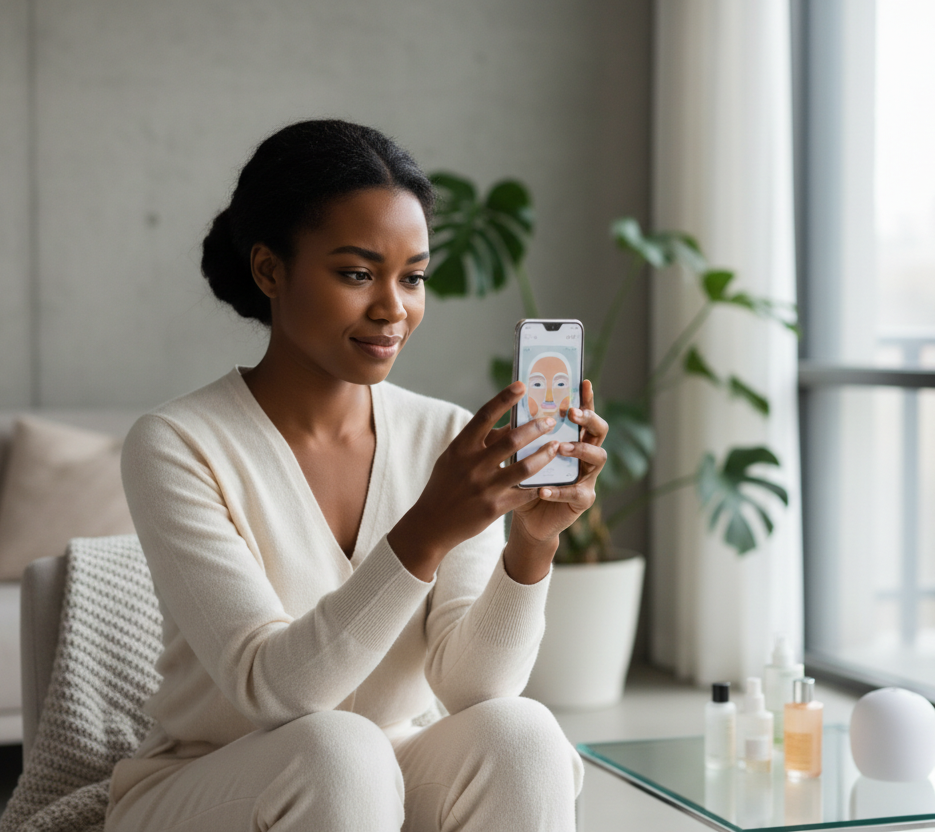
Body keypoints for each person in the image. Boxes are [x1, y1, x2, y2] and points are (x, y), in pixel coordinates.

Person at [105, 119, 609, 832]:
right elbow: (273, 691)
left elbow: (473, 688)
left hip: (382, 770)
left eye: (413, 277)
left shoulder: (440, 434)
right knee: (337, 751)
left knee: (520, 734)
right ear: (269, 269)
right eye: (357, 273)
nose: (393, 309)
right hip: (217, 783)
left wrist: (532, 546)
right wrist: (427, 529)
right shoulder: (178, 444)